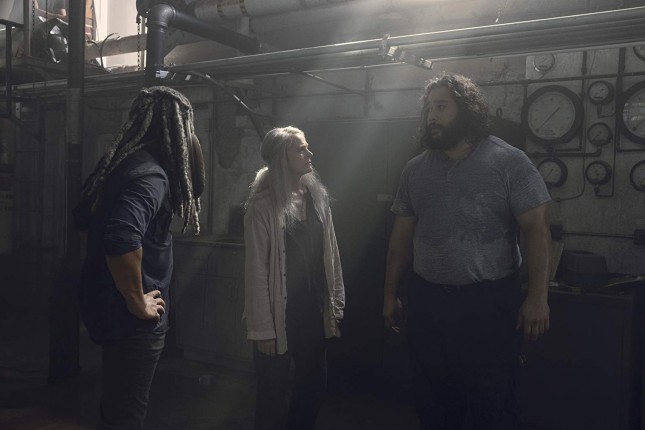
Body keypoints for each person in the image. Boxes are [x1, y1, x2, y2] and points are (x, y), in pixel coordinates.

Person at [383, 73, 551, 430]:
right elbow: (400, 237)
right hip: (428, 303)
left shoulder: (509, 161)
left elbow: (537, 230)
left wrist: (538, 298)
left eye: (441, 107)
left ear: (466, 110)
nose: (432, 116)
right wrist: (389, 293)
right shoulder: (415, 170)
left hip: (487, 304)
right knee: (433, 404)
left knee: (493, 404)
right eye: (428, 109)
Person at [73, 86, 205, 430]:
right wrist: (136, 301)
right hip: (132, 320)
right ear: (176, 129)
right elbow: (120, 237)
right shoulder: (151, 175)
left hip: (113, 310)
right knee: (127, 415)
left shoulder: (126, 164)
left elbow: (85, 219)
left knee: (116, 407)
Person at [244, 126, 345, 430]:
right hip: (278, 315)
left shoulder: (317, 200)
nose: (309, 153)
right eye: (301, 149)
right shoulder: (262, 208)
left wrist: (336, 305)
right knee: (272, 394)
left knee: (313, 387)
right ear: (281, 158)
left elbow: (332, 255)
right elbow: (256, 271)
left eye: (307, 147)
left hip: (313, 311)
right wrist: (263, 329)